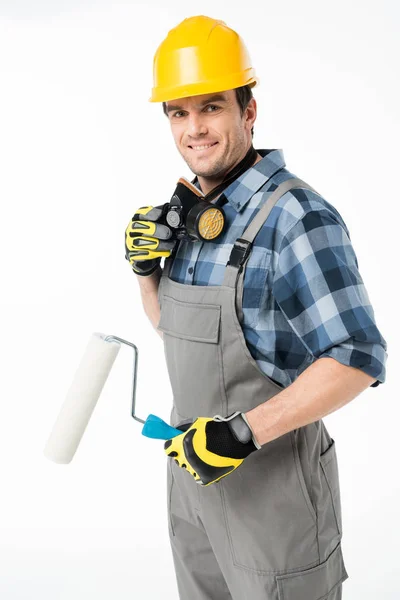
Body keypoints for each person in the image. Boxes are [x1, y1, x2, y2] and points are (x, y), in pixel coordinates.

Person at [125, 15, 387, 600]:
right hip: (195, 490)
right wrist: (147, 274)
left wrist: (241, 435)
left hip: (275, 505)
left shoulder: (296, 218)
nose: (194, 128)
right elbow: (180, 335)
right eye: (178, 112)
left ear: (248, 111)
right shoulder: (194, 216)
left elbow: (359, 358)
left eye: (211, 107)